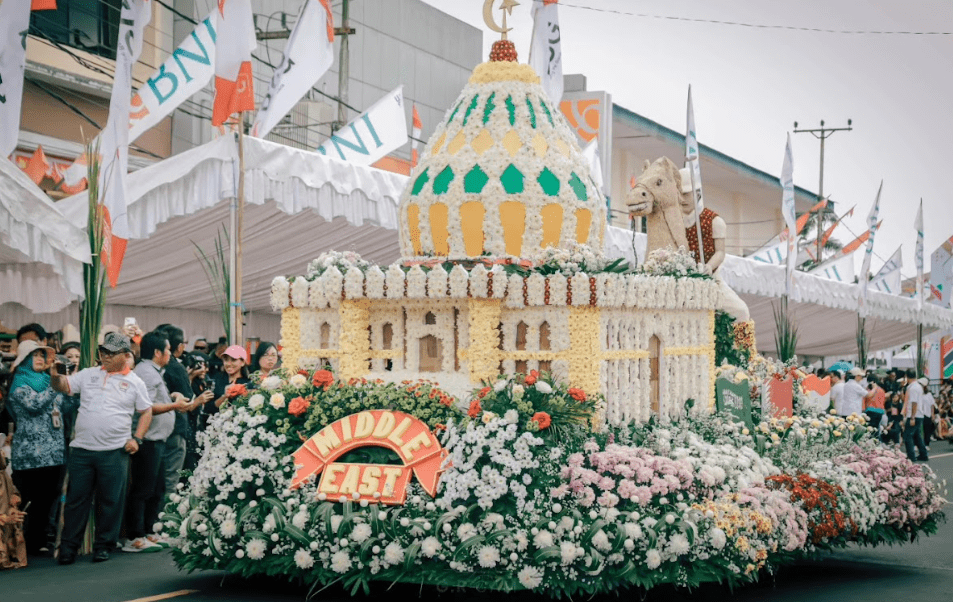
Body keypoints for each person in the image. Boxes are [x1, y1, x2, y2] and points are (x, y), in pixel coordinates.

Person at [50, 332, 153, 564]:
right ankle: (69, 547)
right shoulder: (88, 375)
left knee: (110, 501)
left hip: (115, 450)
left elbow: (146, 411)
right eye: (102, 352)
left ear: (126, 355)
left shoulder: (135, 382)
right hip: (82, 450)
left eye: (110, 353)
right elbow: (62, 386)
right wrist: (54, 373)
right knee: (76, 500)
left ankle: (103, 545)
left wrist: (137, 438)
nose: (104, 356)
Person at [125, 331, 189, 553]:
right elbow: (146, 406)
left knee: (157, 488)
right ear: (157, 352)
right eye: (168, 349)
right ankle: (135, 535)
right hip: (148, 440)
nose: (170, 353)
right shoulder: (144, 372)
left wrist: (172, 398)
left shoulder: (153, 371)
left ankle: (149, 530)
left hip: (159, 439)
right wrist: (174, 406)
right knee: (143, 489)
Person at [6, 341, 69, 556]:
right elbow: (35, 404)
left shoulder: (48, 380)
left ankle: (38, 540)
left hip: (54, 452)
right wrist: (55, 383)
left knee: (47, 498)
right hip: (30, 454)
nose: (40, 358)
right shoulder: (19, 383)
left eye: (43, 354)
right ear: (24, 359)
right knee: (28, 497)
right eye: (35, 355)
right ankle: (19, 541)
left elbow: (64, 406)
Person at [156, 326, 213, 500]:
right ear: (180, 346)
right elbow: (186, 402)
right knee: (173, 480)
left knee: (160, 481)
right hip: (176, 429)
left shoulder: (153, 368)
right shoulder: (175, 367)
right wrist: (199, 400)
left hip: (156, 431)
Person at [0, 449, 27, 569]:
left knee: (16, 518)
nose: (3, 453)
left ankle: (13, 555)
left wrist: (15, 497)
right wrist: (4, 519)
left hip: (5, 516)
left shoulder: (4, 474)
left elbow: (13, 489)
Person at [210, 345, 250, 413]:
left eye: (233, 360)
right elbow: (209, 408)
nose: (228, 364)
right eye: (226, 360)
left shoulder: (248, 382)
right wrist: (224, 397)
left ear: (242, 362)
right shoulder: (217, 379)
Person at [901, 369, 928, 462]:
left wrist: (912, 417)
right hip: (919, 414)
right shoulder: (918, 386)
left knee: (908, 436)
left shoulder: (913, 388)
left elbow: (914, 403)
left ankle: (911, 457)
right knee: (917, 436)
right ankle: (923, 454)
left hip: (914, 415)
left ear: (907, 376)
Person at [920, 377, 936, 447]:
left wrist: (932, 414)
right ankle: (920, 444)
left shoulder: (929, 394)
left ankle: (926, 444)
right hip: (920, 414)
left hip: (927, 414)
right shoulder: (918, 394)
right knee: (920, 430)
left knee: (927, 430)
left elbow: (932, 405)